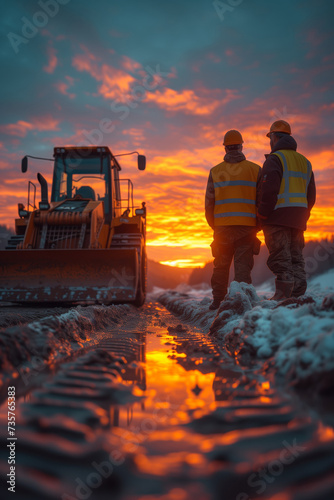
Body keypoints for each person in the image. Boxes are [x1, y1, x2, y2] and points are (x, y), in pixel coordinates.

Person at [257, 120, 316, 300]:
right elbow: (311, 195)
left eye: (270, 137)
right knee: (296, 257)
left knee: (280, 258)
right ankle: (297, 295)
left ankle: (283, 296)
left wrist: (262, 214)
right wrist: (303, 215)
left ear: (275, 138)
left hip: (277, 217)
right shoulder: (305, 162)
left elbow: (268, 190)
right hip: (298, 219)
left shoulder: (275, 159)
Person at [205, 130, 262, 310]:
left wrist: (215, 225)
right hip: (247, 228)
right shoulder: (255, 170)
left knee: (220, 266)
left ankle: (217, 301)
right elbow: (262, 201)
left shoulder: (215, 171)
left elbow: (209, 203)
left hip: (222, 228)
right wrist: (257, 226)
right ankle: (241, 303)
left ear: (225, 148)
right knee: (243, 268)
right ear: (241, 146)